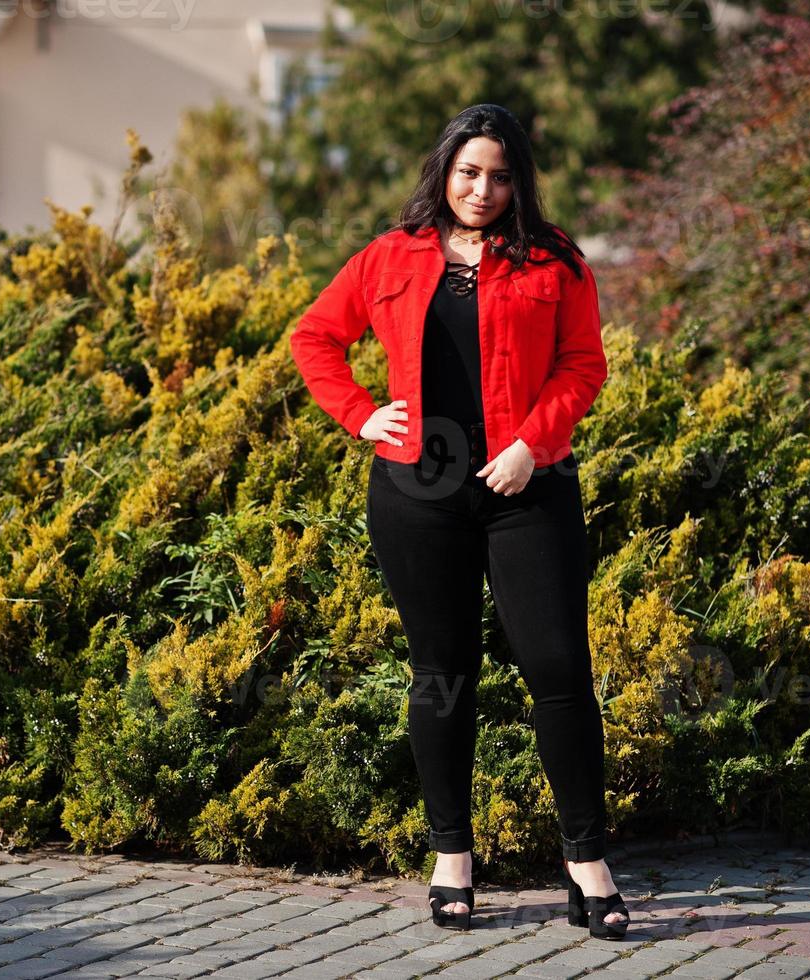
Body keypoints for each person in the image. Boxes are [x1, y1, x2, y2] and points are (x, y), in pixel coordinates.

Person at [288, 103, 627, 939]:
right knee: (441, 675)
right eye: (469, 171)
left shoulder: (555, 261)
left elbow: (585, 364)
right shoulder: (388, 256)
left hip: (528, 492)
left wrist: (532, 445)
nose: (482, 189)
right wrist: (361, 416)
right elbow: (313, 339)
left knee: (558, 673)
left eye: (500, 176)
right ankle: (451, 857)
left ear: (519, 183)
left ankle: (586, 860)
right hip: (417, 496)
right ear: (444, 170)